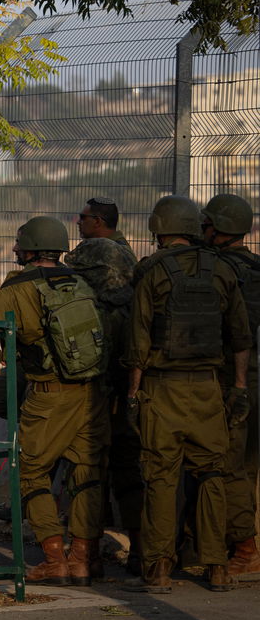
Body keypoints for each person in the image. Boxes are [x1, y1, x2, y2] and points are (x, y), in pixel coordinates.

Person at [122, 195, 251, 594]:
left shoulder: (153, 272)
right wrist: (240, 386)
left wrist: (133, 393)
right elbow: (241, 337)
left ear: (158, 228)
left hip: (163, 388)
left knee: (161, 477)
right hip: (209, 387)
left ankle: (159, 569)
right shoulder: (223, 271)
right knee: (212, 474)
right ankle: (217, 568)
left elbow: (139, 341)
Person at [0, 218, 109, 586]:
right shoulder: (80, 281)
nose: (16, 250)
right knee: (87, 473)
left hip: (48, 394)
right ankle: (82, 558)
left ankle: (54, 559)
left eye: (20, 244)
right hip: (91, 393)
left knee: (32, 472)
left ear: (32, 248)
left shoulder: (19, 287)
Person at [63, 237, 143, 575]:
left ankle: (87, 555)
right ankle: (141, 553)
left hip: (96, 405)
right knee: (129, 479)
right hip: (130, 406)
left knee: (88, 476)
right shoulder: (137, 307)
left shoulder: (91, 311)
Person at [200, 193, 260, 578]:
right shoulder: (255, 267)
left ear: (219, 229)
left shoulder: (218, 270)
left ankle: (244, 548)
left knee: (228, 467)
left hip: (228, 378)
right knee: (246, 466)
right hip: (253, 376)